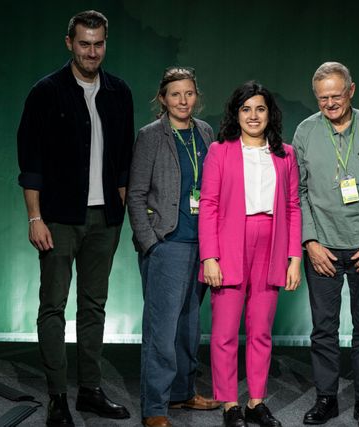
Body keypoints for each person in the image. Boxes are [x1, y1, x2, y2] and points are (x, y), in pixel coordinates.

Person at [17, 10, 133, 426]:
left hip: (106, 220)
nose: (91, 51)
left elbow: (123, 162)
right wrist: (35, 218)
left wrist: (121, 212)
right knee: (53, 305)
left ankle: (90, 390)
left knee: (94, 304)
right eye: (84, 43)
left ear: (106, 43)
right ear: (70, 43)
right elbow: (30, 162)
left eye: (98, 43)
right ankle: (56, 398)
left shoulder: (119, 91)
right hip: (59, 219)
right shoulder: (45, 93)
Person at [293, 62, 359, 427]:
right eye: (323, 98)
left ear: (351, 91)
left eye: (336, 96)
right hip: (321, 247)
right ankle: (326, 398)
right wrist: (309, 240)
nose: (330, 103)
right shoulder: (305, 132)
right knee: (323, 328)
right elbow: (299, 192)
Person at [199, 81, 302, 427]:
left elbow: (293, 206)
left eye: (260, 108)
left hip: (271, 244)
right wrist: (209, 256)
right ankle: (230, 404)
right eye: (246, 109)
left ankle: (256, 402)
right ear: (236, 114)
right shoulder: (220, 150)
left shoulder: (285, 153)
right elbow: (209, 205)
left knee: (260, 330)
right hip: (229, 244)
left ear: (270, 113)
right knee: (225, 331)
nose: (253, 116)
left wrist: (294, 258)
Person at [127, 67, 220, 427]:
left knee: (188, 326)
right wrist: (150, 243)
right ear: (163, 99)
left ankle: (183, 393)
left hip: (201, 243)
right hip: (167, 244)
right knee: (161, 331)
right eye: (176, 94)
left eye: (189, 93)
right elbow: (135, 195)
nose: (183, 101)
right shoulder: (151, 136)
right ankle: (154, 407)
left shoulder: (205, 132)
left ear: (197, 96)